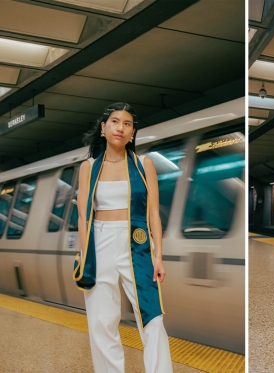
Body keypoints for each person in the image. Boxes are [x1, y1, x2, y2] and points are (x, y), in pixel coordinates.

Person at [73, 102, 173, 372]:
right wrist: (85, 256)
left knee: (152, 317)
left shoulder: (144, 164)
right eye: (115, 122)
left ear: (133, 132)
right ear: (103, 129)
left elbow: (154, 213)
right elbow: (83, 216)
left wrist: (159, 255)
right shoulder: (88, 167)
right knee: (101, 322)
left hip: (137, 243)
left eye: (127, 123)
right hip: (99, 243)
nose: (121, 127)